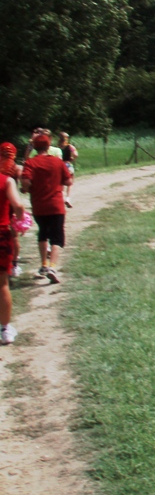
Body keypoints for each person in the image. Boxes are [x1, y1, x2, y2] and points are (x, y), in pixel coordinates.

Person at [21, 134, 72, 284]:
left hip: (39, 205)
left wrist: (27, 189)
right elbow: (68, 180)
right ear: (48, 146)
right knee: (56, 236)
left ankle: (43, 264)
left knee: (43, 232)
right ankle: (53, 267)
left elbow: (25, 182)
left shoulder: (31, 163)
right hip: (56, 205)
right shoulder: (57, 162)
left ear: (35, 148)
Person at [0, 169, 25, 344]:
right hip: (1, 235)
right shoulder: (6, 180)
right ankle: (5, 330)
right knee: (2, 283)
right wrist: (19, 220)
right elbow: (18, 205)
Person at [0, 144, 23, 278]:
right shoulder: (16, 168)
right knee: (13, 235)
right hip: (10, 205)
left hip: (3, 204)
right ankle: (14, 264)